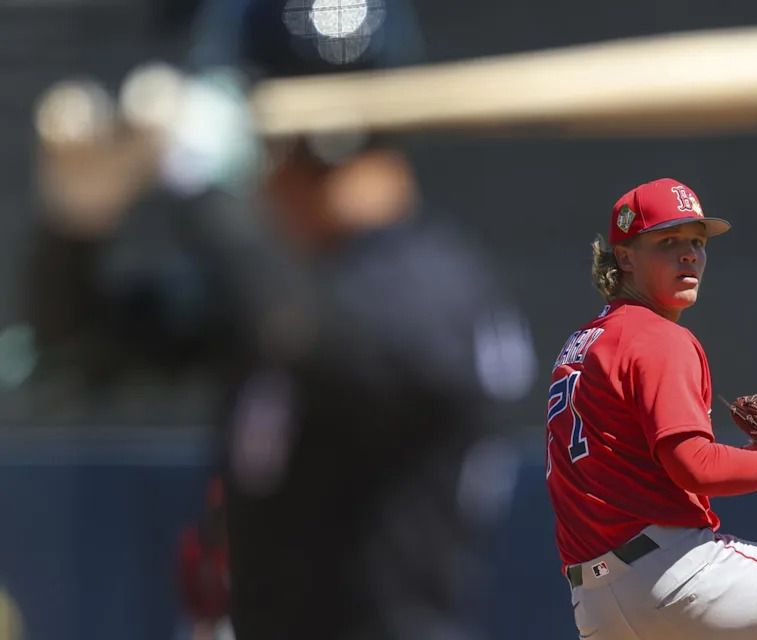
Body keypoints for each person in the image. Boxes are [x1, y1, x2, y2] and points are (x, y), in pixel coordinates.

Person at [28, 0, 536, 638]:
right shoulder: (285, 283)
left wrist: (206, 186)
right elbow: (77, 350)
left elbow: (307, 341)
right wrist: (76, 223)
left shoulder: (433, 293)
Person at [544, 177, 757, 640]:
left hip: (594, 599)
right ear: (624, 257)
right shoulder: (658, 337)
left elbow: (642, 465)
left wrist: (748, 456)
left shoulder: (581, 344)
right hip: (674, 574)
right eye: (667, 242)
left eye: (697, 242)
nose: (689, 255)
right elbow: (694, 467)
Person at [175, 477, 232, 640]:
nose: (219, 519)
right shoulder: (191, 545)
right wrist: (201, 621)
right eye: (215, 513)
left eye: (223, 513)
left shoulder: (238, 546)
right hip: (201, 617)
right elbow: (188, 592)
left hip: (229, 619)